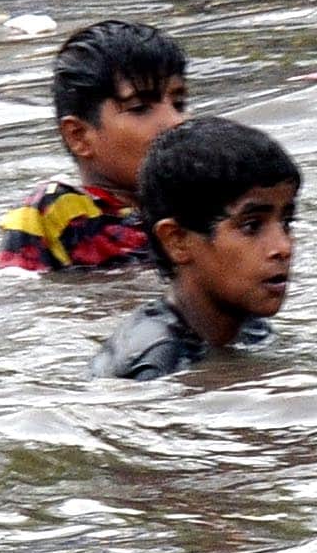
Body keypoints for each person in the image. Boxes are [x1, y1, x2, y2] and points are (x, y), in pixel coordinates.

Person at [91, 117, 299, 381]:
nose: (284, 247)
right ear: (176, 240)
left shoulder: (251, 331)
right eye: (252, 226)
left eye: (287, 222)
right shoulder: (156, 361)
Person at [0, 20, 189, 273]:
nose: (176, 121)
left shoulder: (200, 206)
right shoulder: (57, 214)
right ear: (79, 137)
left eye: (179, 103)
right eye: (140, 108)